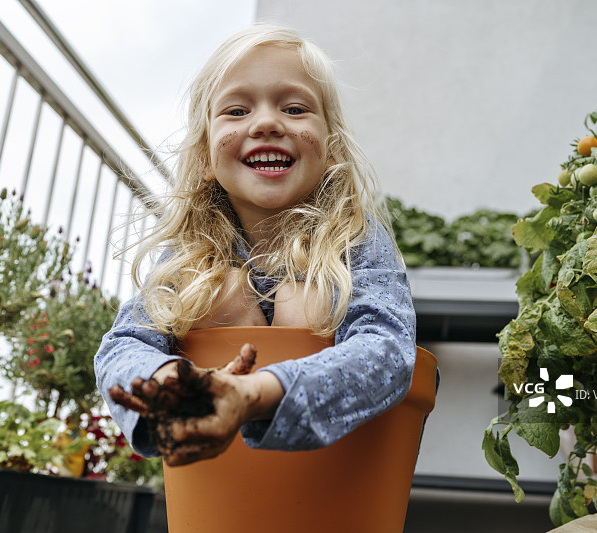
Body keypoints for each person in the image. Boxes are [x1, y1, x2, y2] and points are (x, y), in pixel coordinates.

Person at [95, 23, 417, 467]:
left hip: (337, 486)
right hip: (221, 491)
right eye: (237, 110)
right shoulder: (190, 255)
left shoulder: (356, 239)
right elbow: (121, 344)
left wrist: (252, 392)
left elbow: (388, 351)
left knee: (308, 300)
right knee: (215, 292)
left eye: (295, 107)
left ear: (333, 150)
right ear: (206, 156)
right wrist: (171, 381)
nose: (266, 122)